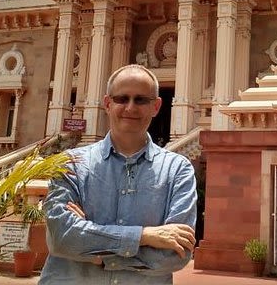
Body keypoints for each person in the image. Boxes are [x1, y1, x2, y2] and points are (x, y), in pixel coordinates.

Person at [39, 64, 197, 284]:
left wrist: (94, 250)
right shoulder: (71, 163)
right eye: (122, 99)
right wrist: (144, 236)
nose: (130, 108)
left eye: (141, 100)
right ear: (107, 103)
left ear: (156, 106)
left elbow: (174, 254)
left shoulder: (178, 170)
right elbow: (61, 238)